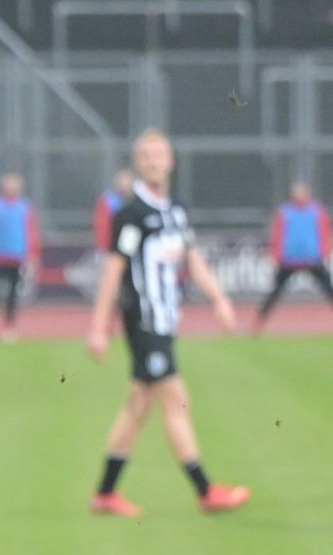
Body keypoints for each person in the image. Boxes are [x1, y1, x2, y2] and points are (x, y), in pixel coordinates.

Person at [86, 129, 250, 518]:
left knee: (138, 406)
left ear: (171, 160)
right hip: (144, 323)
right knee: (175, 401)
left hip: (165, 322)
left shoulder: (176, 210)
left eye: (159, 153)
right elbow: (113, 270)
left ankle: (106, 493)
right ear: (138, 163)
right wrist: (98, 327)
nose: (153, 160)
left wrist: (220, 299)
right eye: (145, 154)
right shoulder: (130, 215)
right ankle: (206, 491)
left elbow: (192, 259)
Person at [254, 180, 333, 333]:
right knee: (275, 292)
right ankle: (258, 324)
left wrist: (326, 251)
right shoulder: (285, 212)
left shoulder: (317, 211)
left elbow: (327, 232)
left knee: (331, 291)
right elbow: (277, 234)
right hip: (289, 260)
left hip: (313, 259)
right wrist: (275, 253)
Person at [0, 174, 42, 343]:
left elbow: (31, 231)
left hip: (17, 255)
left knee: (13, 294)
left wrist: (33, 253)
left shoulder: (24, 207)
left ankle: (9, 327)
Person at [93, 169, 135, 253]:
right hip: (111, 248)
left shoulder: (136, 201)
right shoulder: (107, 201)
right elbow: (102, 226)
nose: (124, 185)